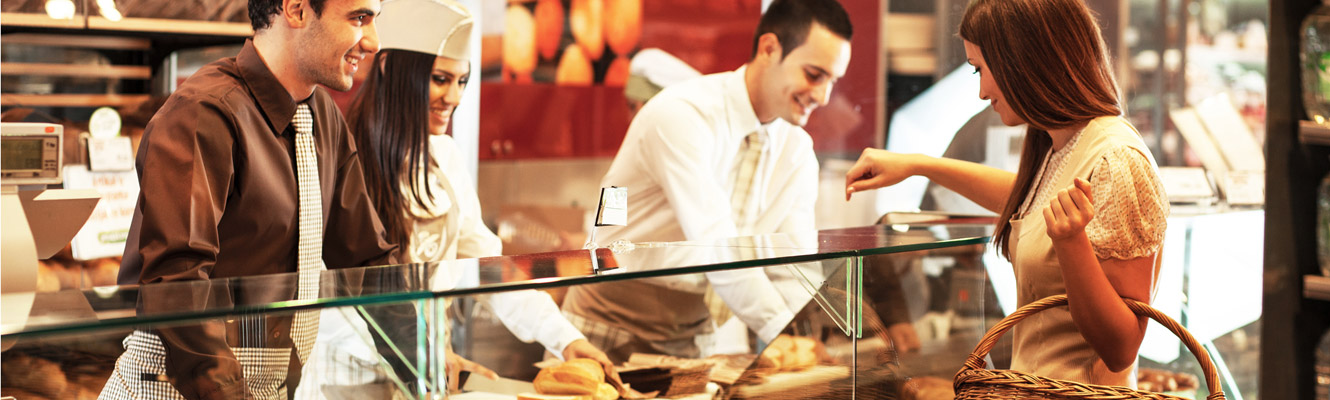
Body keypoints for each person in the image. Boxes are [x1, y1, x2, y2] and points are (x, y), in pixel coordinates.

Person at [845, 0, 1167, 387]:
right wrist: (918, 164)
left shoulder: (1117, 159)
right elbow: (1028, 202)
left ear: (1024, 60)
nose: (981, 91)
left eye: (981, 69)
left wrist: (1070, 243)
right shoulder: (1062, 144)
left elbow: (1121, 348)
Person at [100, 0, 397, 398]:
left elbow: (367, 260)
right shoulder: (205, 112)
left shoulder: (322, 116)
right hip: (175, 390)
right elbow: (177, 280)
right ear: (295, 10)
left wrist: (425, 358)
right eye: (359, 18)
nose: (373, 42)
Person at [341, 0, 617, 386]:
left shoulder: (444, 157)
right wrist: (418, 351)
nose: (453, 98)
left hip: (429, 376)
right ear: (389, 68)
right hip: (351, 379)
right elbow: (336, 299)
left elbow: (488, 268)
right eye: (440, 79)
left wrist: (565, 339)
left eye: (462, 81)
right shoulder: (344, 156)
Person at [561, 0, 854, 363]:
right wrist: (778, 331)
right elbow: (715, 244)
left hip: (693, 337)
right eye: (814, 74)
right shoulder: (681, 115)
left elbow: (792, 264)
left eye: (833, 81)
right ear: (768, 49)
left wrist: (797, 337)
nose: (824, 96)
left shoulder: (796, 151)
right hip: (605, 326)